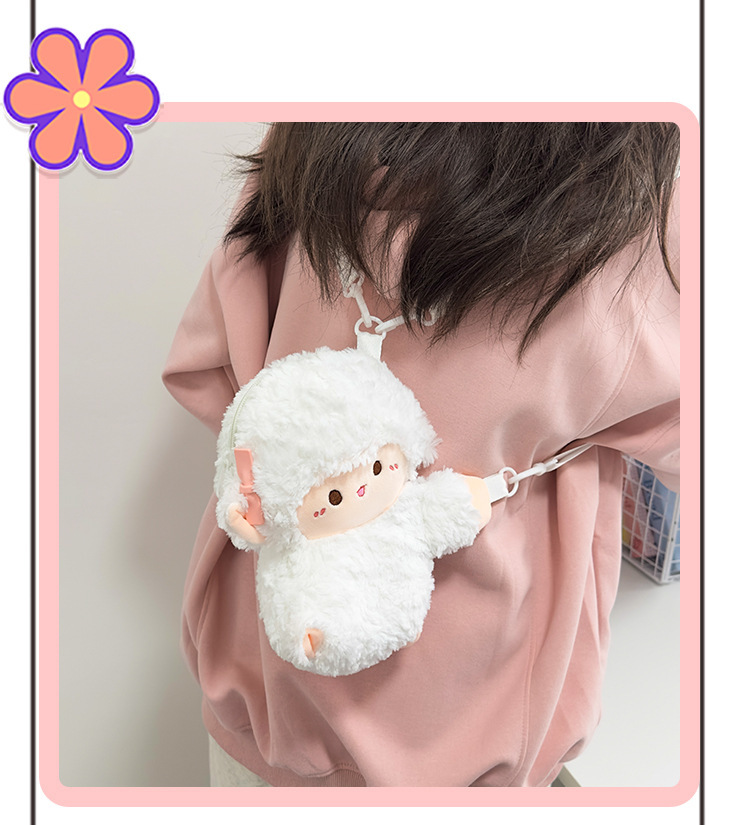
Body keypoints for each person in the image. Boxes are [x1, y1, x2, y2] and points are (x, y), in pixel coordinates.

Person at [162, 122, 680, 787]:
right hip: (471, 730)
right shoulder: (637, 230)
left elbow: (203, 370)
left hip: (261, 697)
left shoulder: (311, 138)